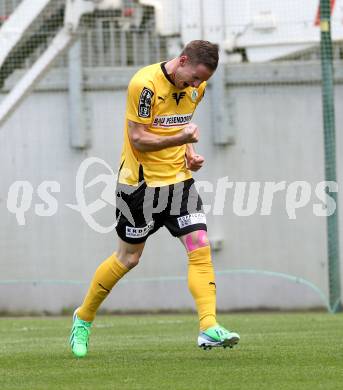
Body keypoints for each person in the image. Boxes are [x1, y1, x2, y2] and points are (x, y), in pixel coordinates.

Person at [69, 40, 240, 358]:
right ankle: (83, 318)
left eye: (203, 81)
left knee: (199, 245)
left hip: (179, 184)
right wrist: (182, 138)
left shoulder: (194, 90)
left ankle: (208, 327)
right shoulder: (144, 85)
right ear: (183, 60)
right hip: (139, 188)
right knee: (128, 259)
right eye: (194, 78)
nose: (197, 85)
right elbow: (139, 140)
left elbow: (181, 123)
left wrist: (189, 154)